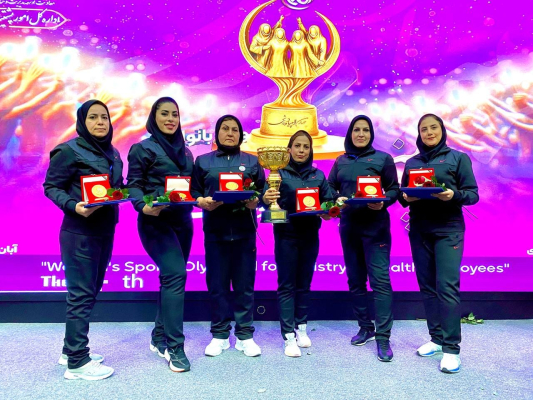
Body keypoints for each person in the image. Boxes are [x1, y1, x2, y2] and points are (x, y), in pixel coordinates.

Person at [43, 99, 122, 380]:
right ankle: (77, 362)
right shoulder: (68, 150)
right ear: (82, 121)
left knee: (90, 291)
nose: (100, 122)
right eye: (93, 117)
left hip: (105, 230)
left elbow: (115, 188)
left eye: (104, 117)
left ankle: (69, 350)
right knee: (80, 295)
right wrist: (72, 205)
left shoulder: (113, 152)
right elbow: (51, 186)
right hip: (78, 233)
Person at [399, 113, 479, 373]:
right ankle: (436, 338)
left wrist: (452, 194)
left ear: (442, 130)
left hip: (448, 230)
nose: (429, 132)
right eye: (424, 129)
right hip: (419, 230)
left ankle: (452, 349)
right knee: (427, 287)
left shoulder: (458, 158)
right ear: (419, 133)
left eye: (433, 127)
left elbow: (472, 195)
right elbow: (403, 196)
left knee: (446, 287)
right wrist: (406, 198)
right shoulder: (412, 162)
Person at [126, 97, 194, 373]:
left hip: (183, 222)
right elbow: (133, 185)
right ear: (154, 117)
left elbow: (191, 187)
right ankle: (175, 347)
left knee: (170, 279)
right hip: (155, 222)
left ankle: (158, 336)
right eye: (164, 114)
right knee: (176, 275)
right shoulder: (142, 148)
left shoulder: (186, 151)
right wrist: (142, 205)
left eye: (174, 114)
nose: (170, 119)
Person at [191, 115, 265, 357]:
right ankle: (220, 335)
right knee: (218, 286)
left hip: (245, 232)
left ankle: (245, 336)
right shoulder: (203, 161)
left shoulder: (252, 161)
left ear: (241, 135)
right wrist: (200, 201)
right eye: (225, 128)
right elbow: (193, 192)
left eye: (235, 129)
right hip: (215, 232)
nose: (230, 133)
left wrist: (256, 201)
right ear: (217, 133)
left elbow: (263, 191)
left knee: (245, 286)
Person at [328, 115, 399, 362]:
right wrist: (335, 199)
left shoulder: (383, 158)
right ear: (350, 133)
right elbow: (330, 187)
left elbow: (394, 189)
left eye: (365, 130)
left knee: (380, 282)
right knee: (356, 280)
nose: (361, 134)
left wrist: (384, 202)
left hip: (376, 228)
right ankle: (365, 327)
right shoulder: (341, 160)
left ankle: (383, 337)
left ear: (371, 134)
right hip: (349, 227)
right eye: (356, 130)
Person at [262, 130, 333, 357]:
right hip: (286, 236)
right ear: (289, 149)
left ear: (311, 150)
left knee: (304, 284)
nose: (301, 150)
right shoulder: (277, 173)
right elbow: (265, 203)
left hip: (311, 235)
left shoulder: (318, 175)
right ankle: (288, 336)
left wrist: (331, 209)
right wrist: (266, 199)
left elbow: (328, 202)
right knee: (287, 286)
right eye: (297, 146)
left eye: (306, 146)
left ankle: (301, 328)